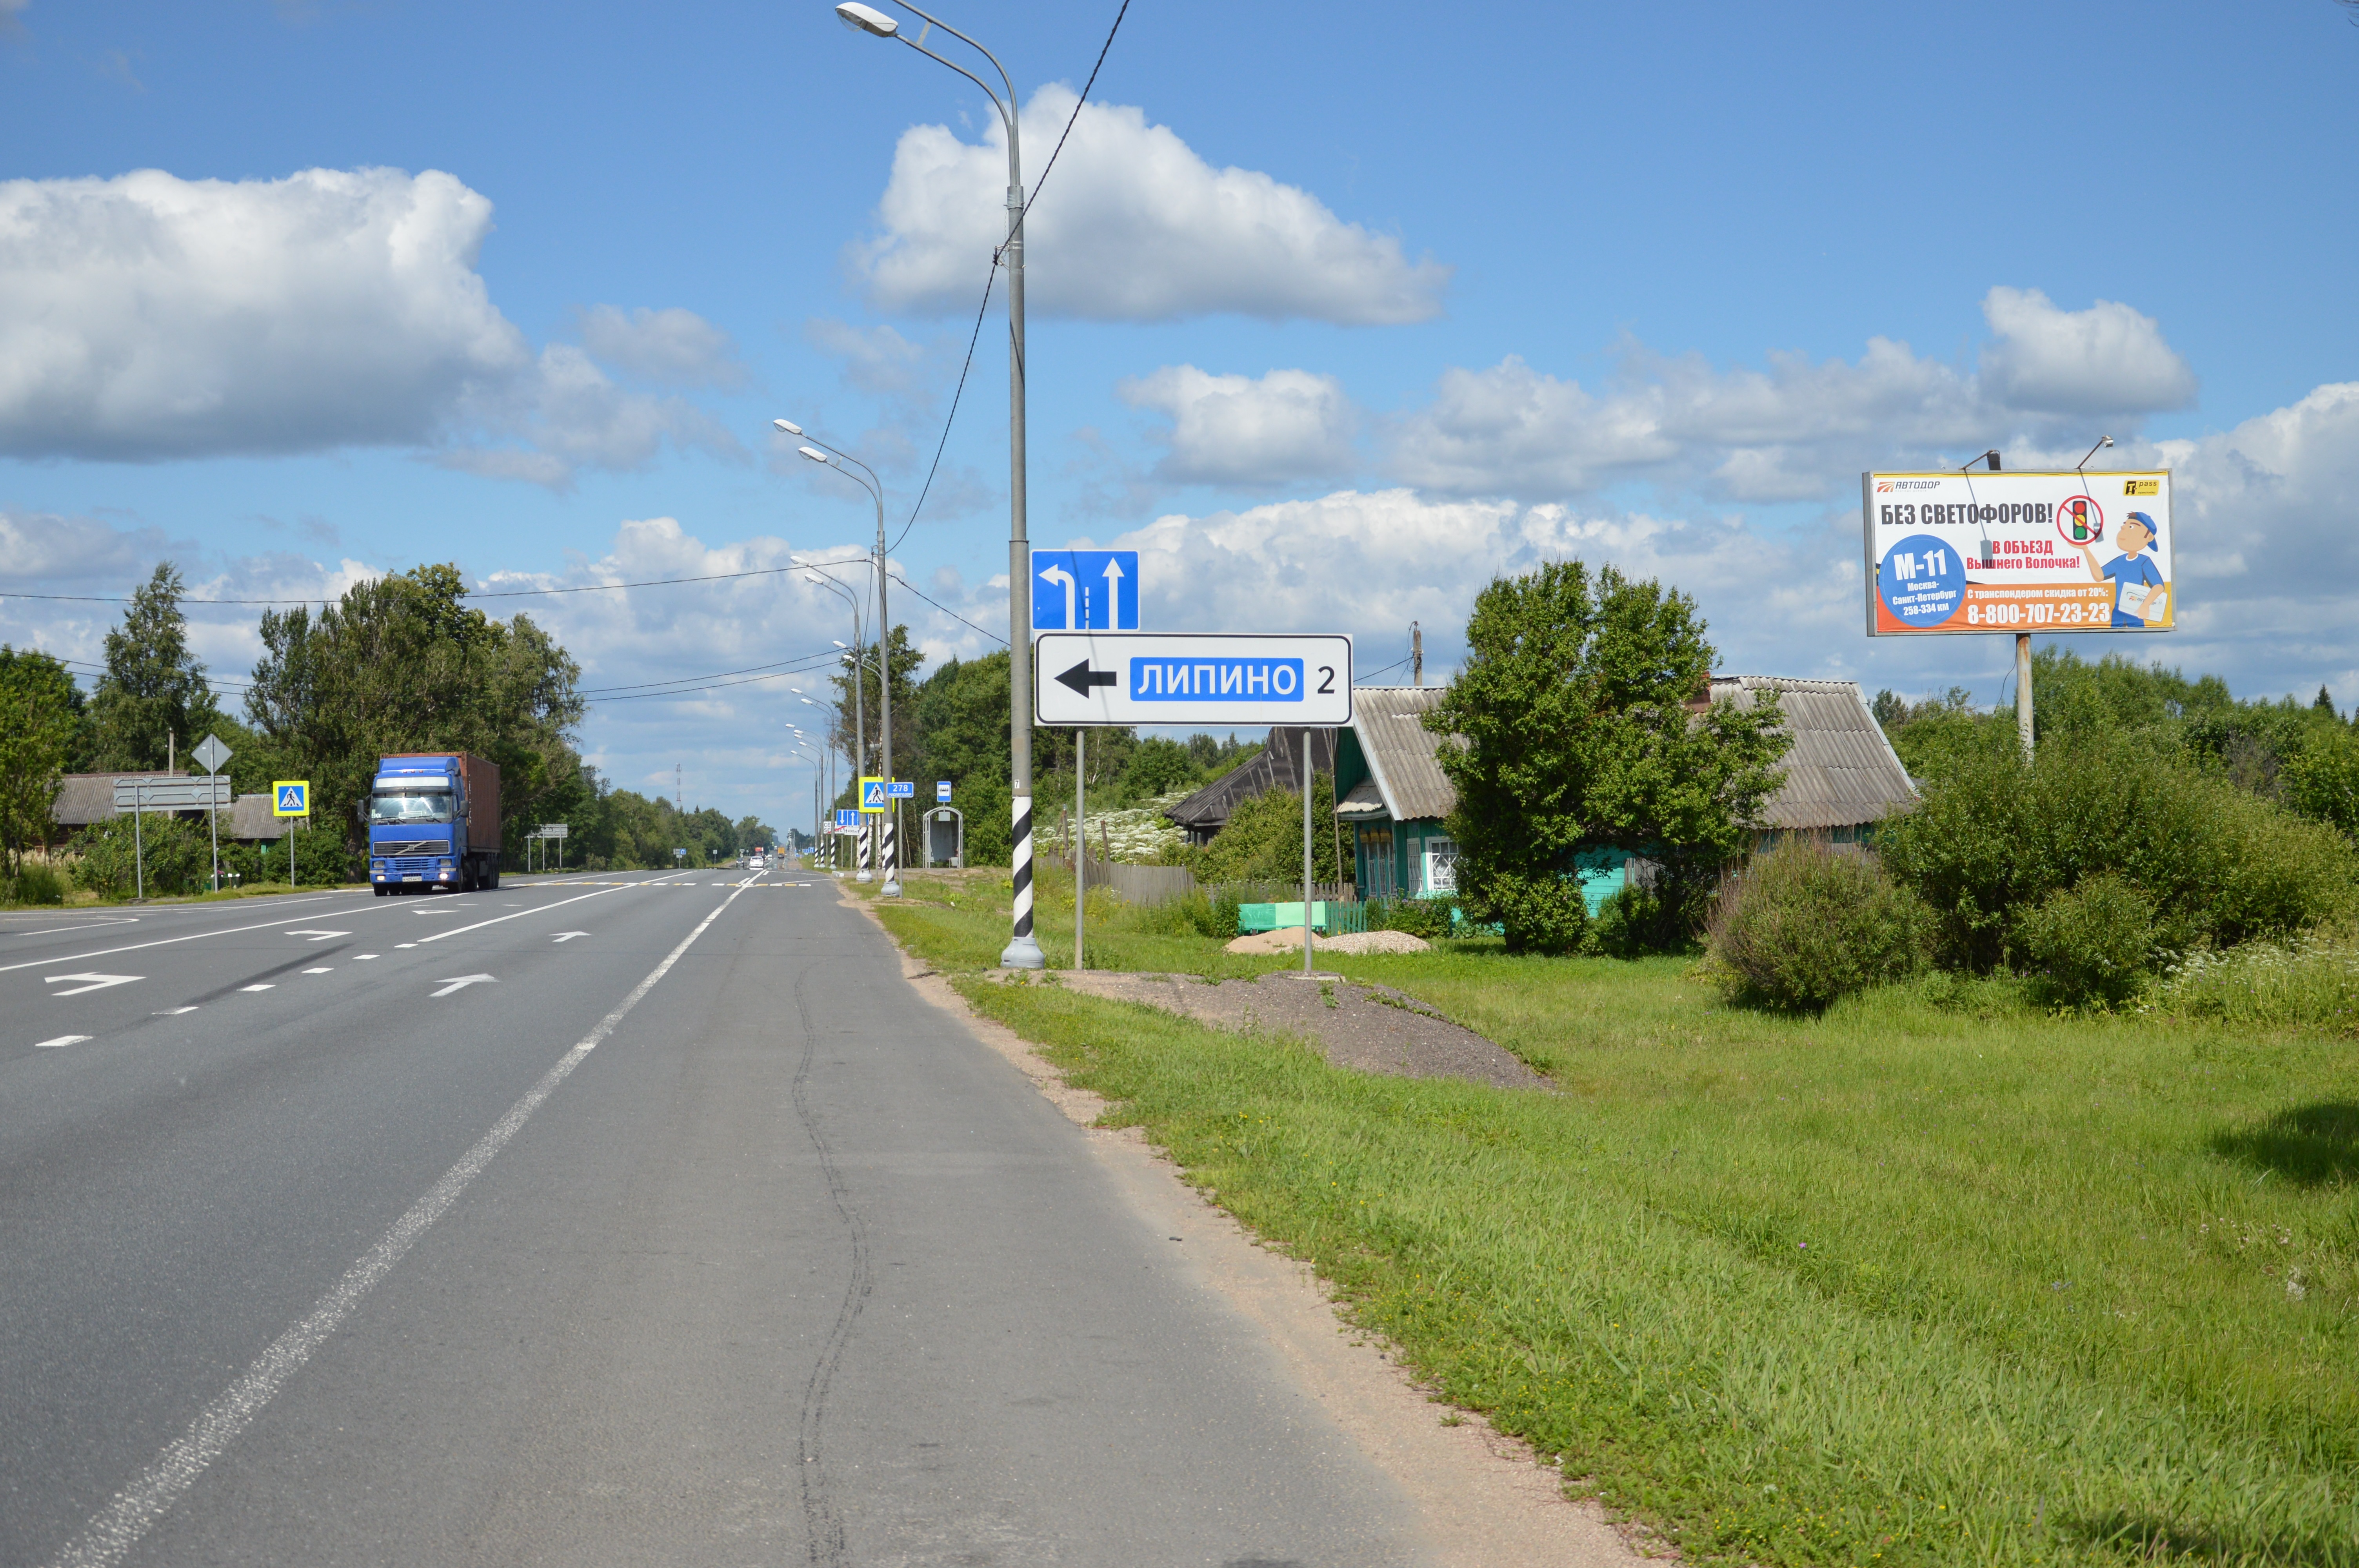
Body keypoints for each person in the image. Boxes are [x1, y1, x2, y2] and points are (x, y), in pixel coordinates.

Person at [2075, 509, 2169, 628]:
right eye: (2125, 525)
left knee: (2137, 637)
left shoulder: (2144, 561)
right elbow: (2099, 576)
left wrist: (2145, 605)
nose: (2123, 528)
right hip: (2118, 609)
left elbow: (2159, 586)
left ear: (2148, 537)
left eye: (2131, 527)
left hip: (2136, 610)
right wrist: (2086, 550)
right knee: (2113, 638)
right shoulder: (2120, 561)